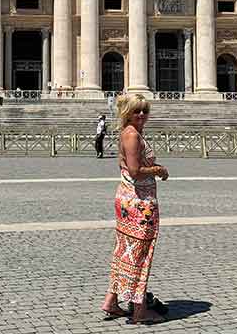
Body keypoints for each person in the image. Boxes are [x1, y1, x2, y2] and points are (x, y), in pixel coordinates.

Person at [100, 94, 169, 324]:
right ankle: (139, 313)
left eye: (144, 111)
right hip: (139, 204)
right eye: (137, 111)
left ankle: (111, 302)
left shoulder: (131, 133)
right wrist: (159, 170)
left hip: (130, 200)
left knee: (126, 253)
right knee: (140, 255)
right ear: (127, 112)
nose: (141, 115)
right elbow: (135, 170)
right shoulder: (131, 135)